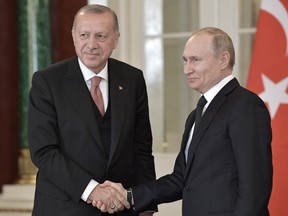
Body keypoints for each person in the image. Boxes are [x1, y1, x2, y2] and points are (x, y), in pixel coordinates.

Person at [96, 27, 273, 216]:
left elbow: (254, 185)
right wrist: (129, 195)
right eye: (185, 60)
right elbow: (181, 180)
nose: (187, 69)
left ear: (223, 60)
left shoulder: (245, 105)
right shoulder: (196, 115)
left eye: (195, 60)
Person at [28, 4, 157, 216]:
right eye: (84, 35)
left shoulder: (133, 79)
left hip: (121, 209)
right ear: (73, 37)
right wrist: (92, 190)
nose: (92, 44)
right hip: (62, 208)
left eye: (101, 36)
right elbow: (44, 151)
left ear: (116, 39)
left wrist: (145, 203)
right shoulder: (47, 81)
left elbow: (141, 147)